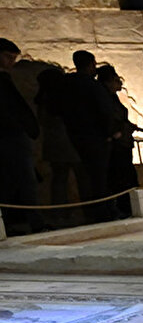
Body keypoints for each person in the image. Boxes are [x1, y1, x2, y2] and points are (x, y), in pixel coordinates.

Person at [57, 49, 121, 220]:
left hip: (77, 136)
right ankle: (104, 213)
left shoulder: (66, 86)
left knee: (88, 177)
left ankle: (93, 212)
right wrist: (110, 133)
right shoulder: (92, 86)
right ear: (90, 64)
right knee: (100, 177)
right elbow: (104, 112)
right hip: (96, 137)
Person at [0, 38, 42, 234]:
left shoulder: (5, 79)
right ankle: (32, 222)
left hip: (13, 135)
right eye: (8, 58)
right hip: (9, 136)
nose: (11, 63)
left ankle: (16, 223)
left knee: (17, 180)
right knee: (23, 180)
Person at [96, 65, 141, 216]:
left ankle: (132, 206)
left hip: (122, 142)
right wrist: (120, 132)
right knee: (119, 177)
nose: (119, 84)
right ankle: (123, 207)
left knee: (127, 175)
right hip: (116, 143)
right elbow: (111, 120)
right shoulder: (104, 98)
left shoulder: (112, 98)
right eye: (116, 80)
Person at [34, 68, 81, 214]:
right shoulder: (59, 100)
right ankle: (89, 208)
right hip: (69, 142)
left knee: (59, 179)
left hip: (53, 145)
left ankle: (60, 210)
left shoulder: (43, 100)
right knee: (81, 176)